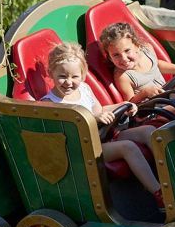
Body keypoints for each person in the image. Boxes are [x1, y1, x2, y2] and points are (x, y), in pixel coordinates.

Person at [40, 43, 163, 206]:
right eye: (62, 76)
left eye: (75, 77)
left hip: (104, 136)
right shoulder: (50, 104)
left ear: (83, 75)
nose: (69, 82)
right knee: (128, 147)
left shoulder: (84, 88)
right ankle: (159, 194)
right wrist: (94, 119)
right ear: (51, 73)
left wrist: (124, 105)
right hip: (83, 149)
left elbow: (99, 110)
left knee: (148, 131)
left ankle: (170, 178)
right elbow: (65, 134)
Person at [98, 22, 175, 103]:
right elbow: (130, 104)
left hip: (168, 95)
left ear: (137, 46)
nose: (124, 58)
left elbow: (157, 64)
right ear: (110, 57)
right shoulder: (123, 77)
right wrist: (145, 93)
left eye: (127, 50)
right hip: (154, 109)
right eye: (116, 55)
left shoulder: (147, 49)